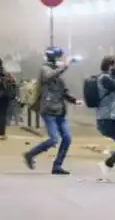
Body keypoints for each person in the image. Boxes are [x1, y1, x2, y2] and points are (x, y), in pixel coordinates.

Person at [23, 47, 83, 175]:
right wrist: (65, 66)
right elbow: (49, 76)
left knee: (67, 138)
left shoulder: (58, 73)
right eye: (59, 57)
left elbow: (63, 90)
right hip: (49, 109)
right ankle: (30, 154)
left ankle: (57, 165)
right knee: (54, 139)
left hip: (60, 110)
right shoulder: (45, 69)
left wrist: (74, 100)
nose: (61, 60)